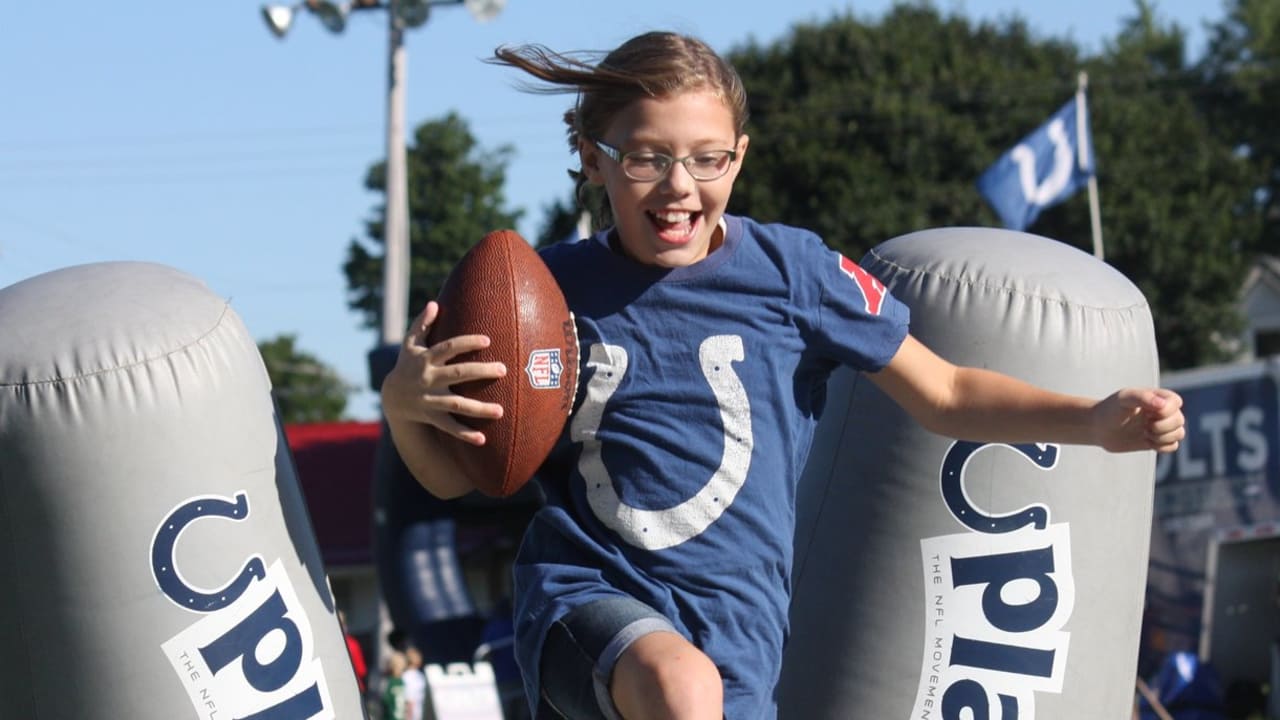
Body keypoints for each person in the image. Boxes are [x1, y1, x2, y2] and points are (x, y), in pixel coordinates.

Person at [379, 31, 1187, 720]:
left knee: (701, 689)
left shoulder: (794, 274)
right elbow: (452, 479)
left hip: (740, 632)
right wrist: (405, 405)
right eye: (648, 159)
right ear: (593, 157)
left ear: (741, 157)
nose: (679, 186)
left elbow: (945, 393)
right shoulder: (541, 297)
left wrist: (1091, 419)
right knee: (680, 686)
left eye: (707, 159)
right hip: (582, 598)